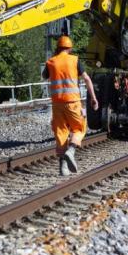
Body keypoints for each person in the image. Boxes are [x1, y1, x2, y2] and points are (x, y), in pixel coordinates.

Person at [43, 35, 99, 176]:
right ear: (70, 48)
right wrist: (93, 98)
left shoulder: (51, 61)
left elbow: (44, 76)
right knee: (79, 128)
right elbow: (86, 79)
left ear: (58, 48)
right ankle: (71, 150)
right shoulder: (75, 60)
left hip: (57, 104)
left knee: (61, 133)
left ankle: (63, 168)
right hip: (73, 103)